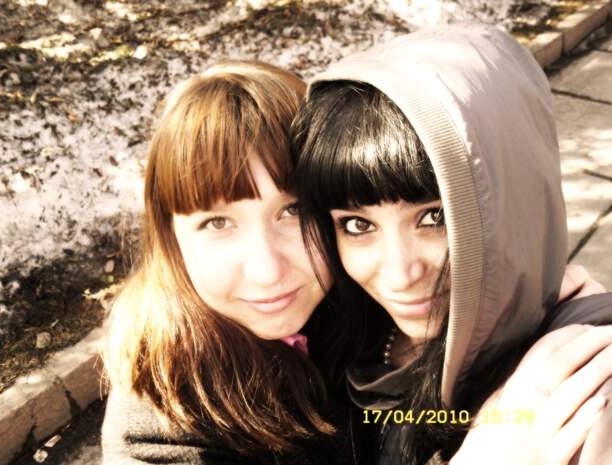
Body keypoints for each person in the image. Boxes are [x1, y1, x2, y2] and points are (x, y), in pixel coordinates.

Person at [291, 24, 612, 465]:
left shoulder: (583, 385)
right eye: (358, 225)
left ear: (512, 198)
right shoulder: (341, 324)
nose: (399, 275)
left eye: (435, 217)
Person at [100, 60, 364, 464]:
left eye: (294, 211)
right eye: (218, 222)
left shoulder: (367, 305)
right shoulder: (161, 431)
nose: (267, 272)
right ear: (171, 239)